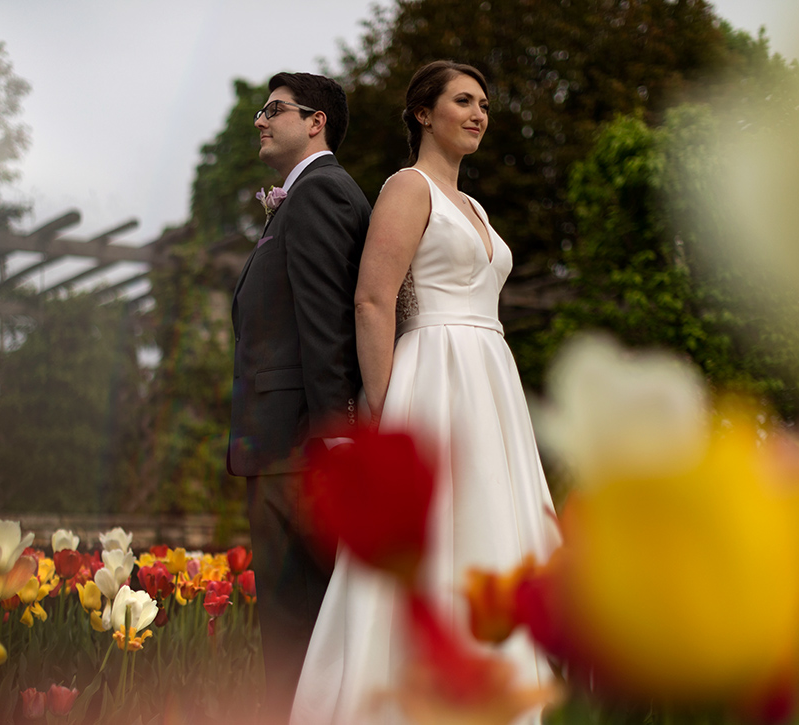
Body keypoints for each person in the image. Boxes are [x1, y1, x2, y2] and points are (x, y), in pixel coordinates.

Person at [290, 60, 561, 724]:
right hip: (433, 375)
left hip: (490, 381)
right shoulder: (408, 189)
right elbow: (373, 301)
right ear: (422, 113)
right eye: (464, 100)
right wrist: (384, 415)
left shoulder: (476, 206)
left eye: (485, 104)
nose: (479, 114)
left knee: (489, 530)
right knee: (437, 538)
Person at [228, 71, 372, 720]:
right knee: (296, 629)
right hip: (287, 443)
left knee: (296, 634)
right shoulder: (307, 195)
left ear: (315, 121)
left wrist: (336, 434)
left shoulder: (319, 194)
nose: (260, 120)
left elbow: (325, 321)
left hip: (300, 450)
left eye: (274, 110)